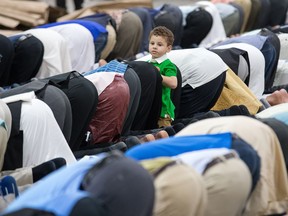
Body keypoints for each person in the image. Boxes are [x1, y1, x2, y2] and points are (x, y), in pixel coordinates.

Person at [147, 26, 178, 128]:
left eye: (159, 44)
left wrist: (158, 75)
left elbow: (173, 83)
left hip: (163, 111)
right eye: (152, 43)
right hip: (151, 108)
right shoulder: (147, 63)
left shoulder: (168, 65)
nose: (154, 47)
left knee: (164, 133)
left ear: (168, 48)